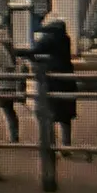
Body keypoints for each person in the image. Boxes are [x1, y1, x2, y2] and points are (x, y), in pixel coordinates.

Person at [33, 12, 77, 146]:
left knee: (48, 112)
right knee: (65, 116)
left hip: (52, 79)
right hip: (67, 78)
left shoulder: (49, 38)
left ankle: (50, 145)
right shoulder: (65, 37)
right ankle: (66, 144)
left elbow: (35, 49)